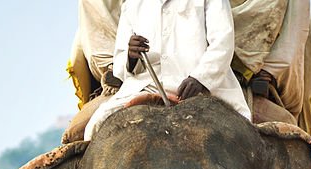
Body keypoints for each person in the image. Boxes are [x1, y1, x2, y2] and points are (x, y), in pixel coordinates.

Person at [83, 0, 250, 140]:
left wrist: (200, 78)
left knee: (244, 137)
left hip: (204, 88)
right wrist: (131, 56)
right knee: (95, 126)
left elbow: (223, 43)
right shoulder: (133, 4)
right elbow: (121, 66)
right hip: (146, 85)